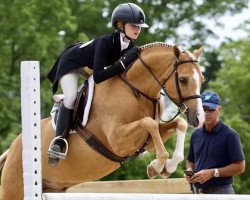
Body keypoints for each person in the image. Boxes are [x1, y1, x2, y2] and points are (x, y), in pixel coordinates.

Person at [46, 3, 149, 166]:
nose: (137, 29)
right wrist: (122, 65)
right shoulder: (105, 42)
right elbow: (99, 76)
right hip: (72, 62)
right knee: (72, 97)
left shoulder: (130, 47)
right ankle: (58, 141)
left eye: (139, 26)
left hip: (90, 66)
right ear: (120, 25)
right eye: (133, 25)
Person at [185, 91, 245, 194]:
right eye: (204, 109)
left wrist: (213, 173)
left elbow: (240, 166)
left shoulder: (230, 135)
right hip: (197, 193)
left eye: (211, 110)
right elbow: (190, 160)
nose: (207, 113)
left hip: (222, 193)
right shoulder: (196, 135)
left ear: (219, 110)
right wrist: (190, 170)